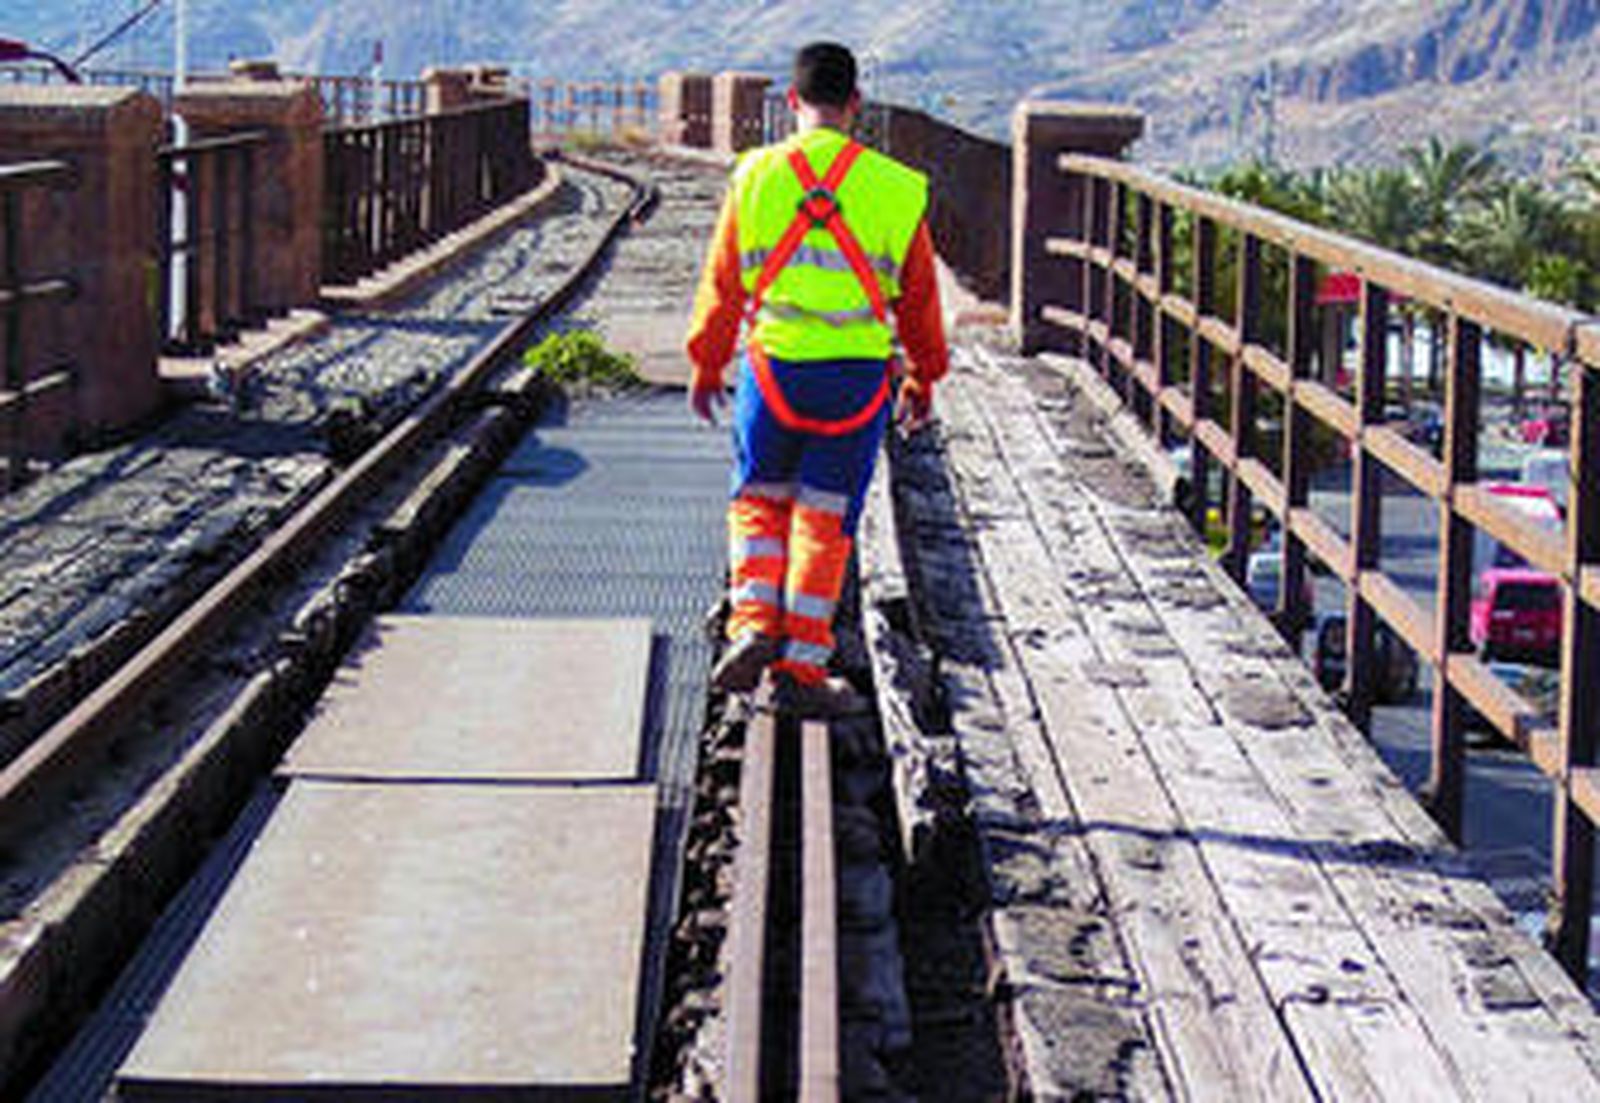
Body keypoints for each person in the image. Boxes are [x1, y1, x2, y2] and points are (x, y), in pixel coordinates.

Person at [684, 41, 948, 715]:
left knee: (758, 502)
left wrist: (708, 363)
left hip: (773, 375)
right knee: (825, 518)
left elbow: (721, 283)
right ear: (855, 106)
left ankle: (750, 624)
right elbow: (919, 302)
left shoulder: (755, 176)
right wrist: (923, 378)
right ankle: (801, 668)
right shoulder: (896, 188)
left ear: (792, 103)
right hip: (856, 384)